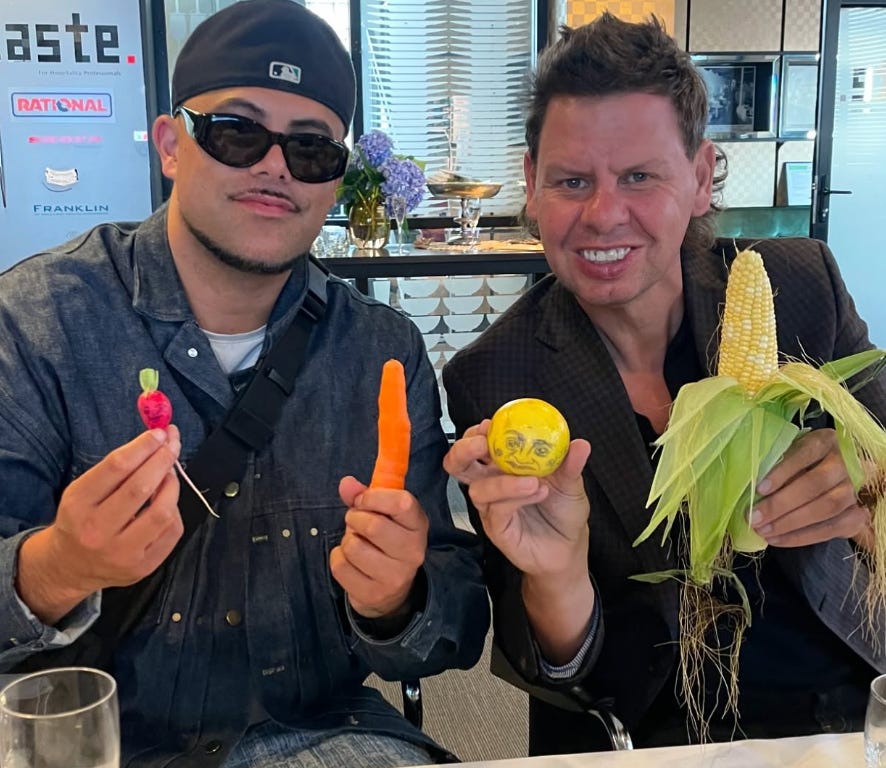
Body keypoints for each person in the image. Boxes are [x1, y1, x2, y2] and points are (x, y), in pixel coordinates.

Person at [0, 1, 489, 765]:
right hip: (94, 738)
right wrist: (58, 566)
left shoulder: (380, 354)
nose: (274, 167)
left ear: (335, 180)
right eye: (237, 132)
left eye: (311, 149)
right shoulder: (36, 326)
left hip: (321, 733)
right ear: (170, 144)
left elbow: (455, 616)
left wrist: (397, 601)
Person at [442, 12, 886, 756]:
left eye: (639, 176)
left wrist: (867, 483)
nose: (602, 214)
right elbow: (551, 664)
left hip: (844, 702)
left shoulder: (802, 286)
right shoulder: (497, 375)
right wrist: (554, 575)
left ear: (704, 176)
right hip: (644, 730)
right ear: (530, 183)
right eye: (571, 180)